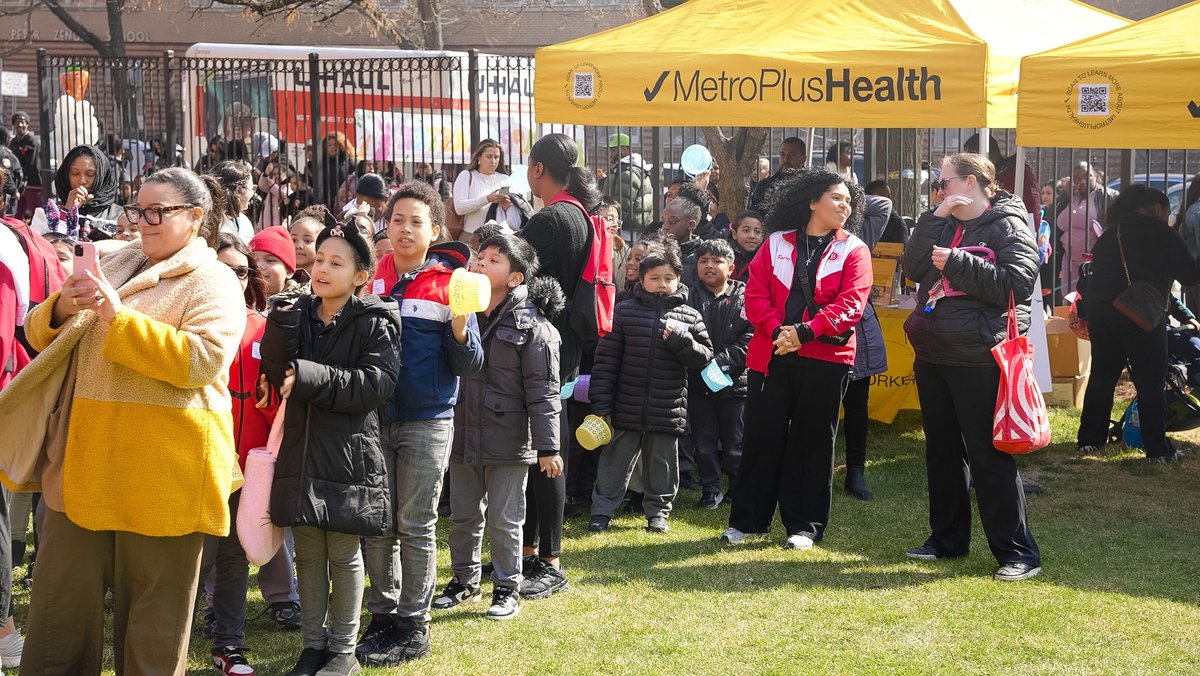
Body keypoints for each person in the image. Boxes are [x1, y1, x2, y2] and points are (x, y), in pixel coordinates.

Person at [1, 167, 246, 672]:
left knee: (155, 619)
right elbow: (39, 332)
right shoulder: (116, 260)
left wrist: (119, 318)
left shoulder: (216, 279)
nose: (142, 221)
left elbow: (201, 361)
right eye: (138, 210)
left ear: (195, 217)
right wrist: (60, 309)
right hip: (86, 457)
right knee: (57, 611)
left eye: (158, 212)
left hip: (168, 468)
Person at [262, 221, 400, 676]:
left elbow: (374, 386)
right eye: (319, 259)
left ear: (360, 276)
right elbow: (276, 370)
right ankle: (313, 646)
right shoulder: (299, 311)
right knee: (307, 555)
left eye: (335, 263)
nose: (321, 268)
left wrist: (308, 376)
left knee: (342, 553)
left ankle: (343, 650)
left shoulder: (376, 320)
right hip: (301, 450)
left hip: (349, 456)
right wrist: (281, 323)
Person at [357, 182, 484, 667]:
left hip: (427, 420)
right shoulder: (370, 278)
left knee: (414, 524)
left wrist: (459, 327)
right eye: (397, 220)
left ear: (435, 230)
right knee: (379, 524)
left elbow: (471, 363)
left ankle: (414, 624)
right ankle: (383, 615)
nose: (405, 230)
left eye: (416, 222)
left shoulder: (451, 282)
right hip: (375, 419)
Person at [900, 152, 1042, 581]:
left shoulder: (1007, 224)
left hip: (978, 354)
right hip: (934, 352)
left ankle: (1018, 553)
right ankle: (947, 540)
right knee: (942, 451)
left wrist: (958, 262)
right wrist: (933, 218)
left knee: (988, 454)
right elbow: (913, 268)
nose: (938, 190)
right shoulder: (942, 221)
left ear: (971, 182)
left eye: (943, 183)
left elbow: (1017, 286)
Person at [720, 166, 870, 551]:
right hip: (771, 355)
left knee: (813, 442)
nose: (845, 206)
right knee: (761, 438)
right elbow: (755, 295)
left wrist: (803, 333)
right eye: (837, 198)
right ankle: (748, 522)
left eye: (849, 201)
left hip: (826, 359)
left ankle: (805, 527)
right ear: (812, 201)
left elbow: (851, 305)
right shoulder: (776, 243)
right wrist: (778, 332)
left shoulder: (855, 249)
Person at [433, 234, 563, 621]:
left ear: (515, 278)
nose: (480, 264)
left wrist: (548, 447)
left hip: (509, 439)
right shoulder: (461, 310)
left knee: (505, 520)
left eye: (493, 260)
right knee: (463, 516)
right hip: (462, 432)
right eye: (480, 257)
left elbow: (544, 392)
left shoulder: (534, 325)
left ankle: (507, 587)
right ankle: (464, 581)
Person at [515, 133, 598, 599]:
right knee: (541, 446)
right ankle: (530, 552)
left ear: (538, 169)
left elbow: (511, 271)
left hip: (543, 347)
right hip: (563, 346)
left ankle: (549, 560)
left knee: (547, 449)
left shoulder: (551, 219)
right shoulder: (579, 213)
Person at [588, 241, 714, 534]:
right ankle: (602, 511)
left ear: (679, 279)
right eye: (655, 278)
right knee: (614, 461)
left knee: (662, 464)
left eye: (669, 278)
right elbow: (606, 362)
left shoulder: (690, 316)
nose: (662, 284)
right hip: (626, 405)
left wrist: (681, 342)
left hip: (667, 407)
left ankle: (658, 512)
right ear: (642, 279)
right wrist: (602, 405)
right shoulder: (624, 312)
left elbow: (704, 358)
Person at [1077, 185, 1200, 463]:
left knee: (1102, 375)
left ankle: (1090, 440)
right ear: (1157, 209)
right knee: (1150, 381)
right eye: (1167, 212)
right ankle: (1157, 449)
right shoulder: (1162, 233)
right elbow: (1190, 275)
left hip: (1101, 311)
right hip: (1139, 314)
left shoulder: (1112, 233)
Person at [206, 233, 270, 676]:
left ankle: (228, 644)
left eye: (242, 271)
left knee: (232, 557)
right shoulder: (194, 320)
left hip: (246, 463)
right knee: (190, 557)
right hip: (199, 456)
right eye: (224, 269)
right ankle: (165, 642)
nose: (234, 278)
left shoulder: (265, 328)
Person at [687, 238, 752, 509]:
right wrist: (702, 362)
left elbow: (752, 336)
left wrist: (722, 362)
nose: (709, 266)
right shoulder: (688, 296)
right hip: (698, 383)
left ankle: (738, 489)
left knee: (735, 442)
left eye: (717, 261)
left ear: (731, 267)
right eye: (703, 261)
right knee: (703, 442)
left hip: (735, 384)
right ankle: (710, 490)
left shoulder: (746, 296)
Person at [839, 195, 893, 501]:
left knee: (857, 405)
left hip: (855, 331)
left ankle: (855, 471)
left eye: (843, 201)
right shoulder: (803, 236)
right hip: (815, 328)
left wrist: (844, 191)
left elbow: (883, 204)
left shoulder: (858, 235)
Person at [1056, 161, 1117, 295]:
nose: (1082, 181)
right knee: (1068, 297)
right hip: (1069, 259)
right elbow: (1052, 217)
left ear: (1095, 176)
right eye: (1077, 178)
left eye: (1087, 176)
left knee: (1089, 295)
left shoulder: (1107, 196)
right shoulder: (1071, 196)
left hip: (1092, 260)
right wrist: (1065, 195)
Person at [453, 140, 521, 243]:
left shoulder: (504, 179)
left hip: (498, 240)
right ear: (479, 157)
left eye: (496, 157)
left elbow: (516, 214)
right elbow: (459, 208)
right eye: (489, 157)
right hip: (471, 237)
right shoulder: (467, 175)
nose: (493, 161)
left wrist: (506, 207)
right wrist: (487, 199)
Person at [53, 144, 123, 234]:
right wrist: (67, 211)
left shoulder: (120, 216)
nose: (82, 181)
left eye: (90, 174)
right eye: (75, 173)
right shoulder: (48, 213)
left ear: (102, 176)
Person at [599, 133, 654, 233]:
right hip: (631, 225)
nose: (610, 154)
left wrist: (615, 223)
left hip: (627, 228)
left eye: (613, 150)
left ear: (624, 149)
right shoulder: (627, 168)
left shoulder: (627, 171)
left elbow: (624, 203)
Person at [748, 137, 805, 212]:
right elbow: (753, 214)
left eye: (792, 155)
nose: (785, 159)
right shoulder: (764, 185)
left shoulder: (812, 185)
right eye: (782, 155)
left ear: (803, 159)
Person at [207, 161, 256, 243]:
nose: (253, 193)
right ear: (239, 190)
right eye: (252, 188)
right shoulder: (212, 225)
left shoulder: (244, 221)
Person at [250, 225, 299, 301]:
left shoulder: (302, 304)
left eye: (269, 260)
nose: (259, 266)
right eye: (253, 260)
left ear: (289, 271)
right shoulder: (237, 298)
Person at [9, 113, 42, 220]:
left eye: (22, 122)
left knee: (33, 214)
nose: (20, 125)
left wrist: (24, 179)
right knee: (18, 213)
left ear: (27, 124)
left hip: (32, 184)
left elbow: (33, 164)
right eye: (17, 122)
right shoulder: (13, 142)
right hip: (17, 185)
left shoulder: (32, 141)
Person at [1176, 176, 1200, 313]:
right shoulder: (1197, 211)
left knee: (1194, 318)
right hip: (1197, 273)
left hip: (1191, 273)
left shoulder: (1191, 209)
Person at [288, 205, 328, 279]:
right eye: (294, 240)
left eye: (307, 241)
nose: (299, 246)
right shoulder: (282, 277)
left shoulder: (327, 277)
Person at [321, 132, 355, 212]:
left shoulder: (350, 162)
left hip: (345, 204)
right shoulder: (321, 163)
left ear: (341, 146)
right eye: (329, 145)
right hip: (325, 204)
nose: (332, 147)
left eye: (334, 145)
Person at [727, 210, 764, 284]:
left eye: (757, 232)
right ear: (734, 234)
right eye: (746, 230)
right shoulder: (724, 254)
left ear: (762, 237)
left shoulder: (765, 260)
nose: (752, 236)